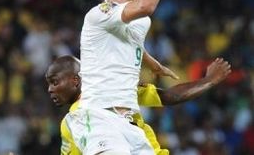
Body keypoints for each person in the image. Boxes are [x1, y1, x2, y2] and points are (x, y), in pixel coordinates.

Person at [70, 0, 189, 154]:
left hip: (129, 122)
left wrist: (153, 64)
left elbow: (131, 40)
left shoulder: (141, 22)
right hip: (98, 117)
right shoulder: (101, 13)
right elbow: (149, 5)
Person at [46, 55, 232, 155]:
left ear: (75, 80)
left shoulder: (111, 90)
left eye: (54, 82)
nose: (50, 90)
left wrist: (209, 80)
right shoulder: (70, 122)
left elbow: (167, 96)